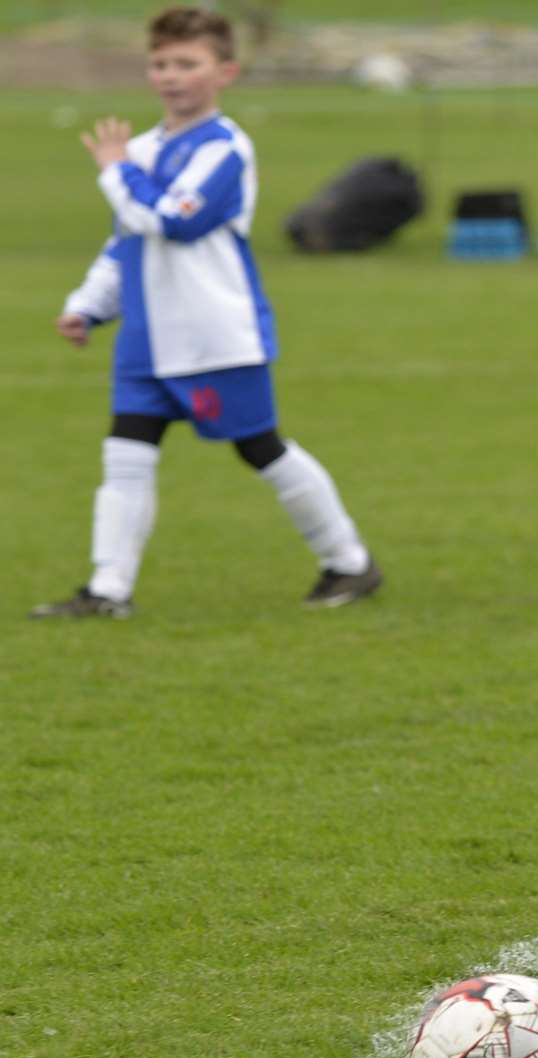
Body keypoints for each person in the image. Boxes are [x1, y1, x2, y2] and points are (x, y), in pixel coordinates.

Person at [35, 6, 380, 620]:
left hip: (212, 336)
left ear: (225, 71)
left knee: (260, 448)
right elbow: (128, 242)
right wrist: (87, 306)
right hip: (145, 337)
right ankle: (108, 591)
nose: (171, 76)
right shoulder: (139, 149)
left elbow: (177, 220)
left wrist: (116, 173)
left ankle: (349, 562)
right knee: (126, 453)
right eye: (161, 63)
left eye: (187, 63)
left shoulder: (225, 148)